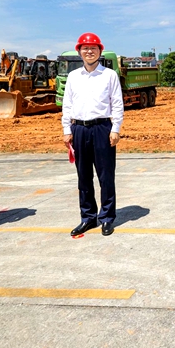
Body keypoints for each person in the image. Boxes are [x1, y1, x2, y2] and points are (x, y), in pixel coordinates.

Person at [62, 33, 124, 237]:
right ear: (79, 51)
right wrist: (66, 131)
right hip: (79, 129)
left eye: (93, 48)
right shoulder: (73, 76)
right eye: (85, 48)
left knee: (106, 175)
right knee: (84, 177)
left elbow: (117, 103)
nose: (89, 51)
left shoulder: (109, 75)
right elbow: (67, 105)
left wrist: (115, 129)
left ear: (99, 51)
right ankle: (87, 217)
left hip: (102, 129)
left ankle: (107, 217)